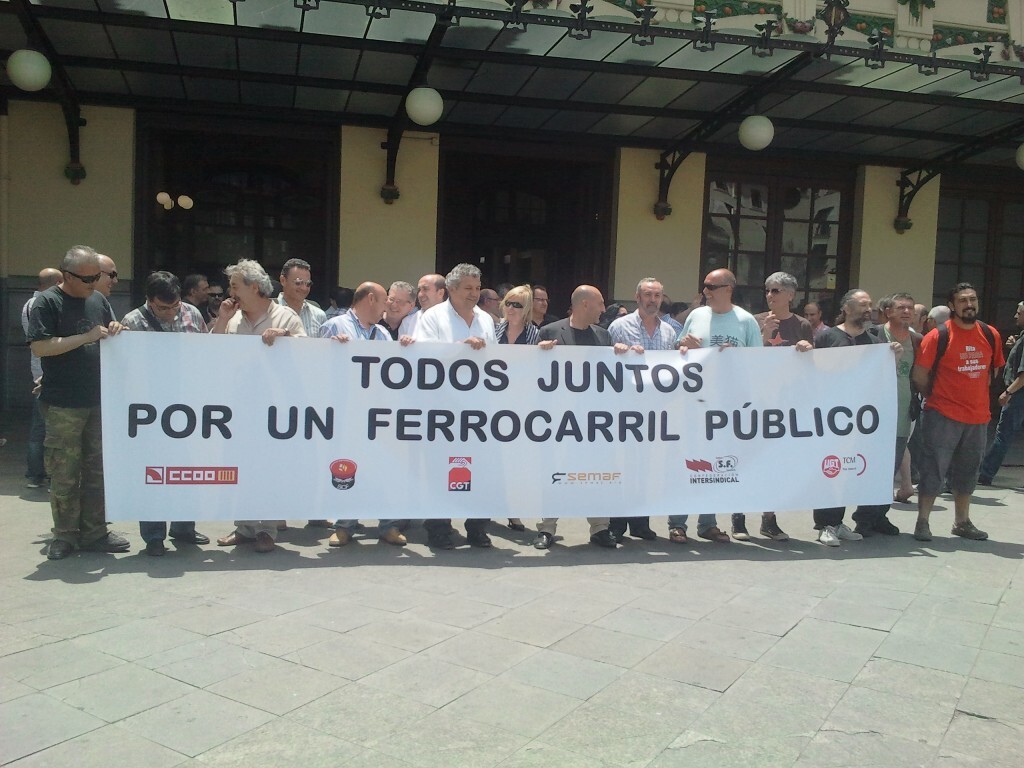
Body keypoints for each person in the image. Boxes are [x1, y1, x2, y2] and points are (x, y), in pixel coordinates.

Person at [27, 245, 129, 560]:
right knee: (64, 472)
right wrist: (83, 339)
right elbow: (40, 347)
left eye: (97, 277)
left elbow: (108, 336)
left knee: (97, 469)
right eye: (88, 278)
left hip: (98, 401)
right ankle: (65, 535)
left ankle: (95, 531)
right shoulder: (47, 303)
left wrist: (116, 329)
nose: (94, 283)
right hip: (63, 404)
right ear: (68, 276)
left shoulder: (98, 300)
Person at [212, 259, 306, 553]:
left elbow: (308, 355)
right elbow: (211, 355)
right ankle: (245, 527)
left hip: (274, 410)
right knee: (240, 467)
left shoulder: (286, 318)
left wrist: (285, 339)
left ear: (254, 288)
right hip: (238, 408)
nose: (230, 292)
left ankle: (267, 529)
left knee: (269, 468)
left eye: (235, 286)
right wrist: (222, 320)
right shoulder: (234, 319)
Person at [121, 271, 211, 555]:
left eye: (175, 307)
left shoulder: (192, 314)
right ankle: (153, 535)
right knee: (154, 472)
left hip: (187, 407)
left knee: (187, 469)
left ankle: (184, 528)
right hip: (150, 409)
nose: (171, 314)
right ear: (149, 300)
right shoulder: (132, 322)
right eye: (163, 308)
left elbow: (205, 353)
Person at [671, 268, 763, 544]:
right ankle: (677, 523)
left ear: (728, 288)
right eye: (705, 286)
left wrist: (738, 357)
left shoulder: (746, 321)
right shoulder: (696, 316)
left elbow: (758, 363)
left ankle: (707, 523)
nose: (705, 291)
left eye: (711, 286)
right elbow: (678, 351)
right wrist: (682, 344)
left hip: (726, 406)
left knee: (712, 465)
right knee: (686, 462)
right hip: (693, 403)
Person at [411, 263, 496, 549]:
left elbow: (496, 361)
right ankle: (438, 530)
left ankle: (477, 528)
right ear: (451, 289)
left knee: (480, 470)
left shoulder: (486, 319)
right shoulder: (433, 317)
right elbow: (425, 357)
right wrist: (461, 347)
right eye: (468, 289)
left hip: (479, 409)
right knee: (440, 470)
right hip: (443, 408)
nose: (474, 294)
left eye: (477, 288)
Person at [319, 282, 408, 546]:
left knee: (383, 467)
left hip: (378, 414)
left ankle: (387, 525)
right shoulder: (335, 326)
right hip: (346, 412)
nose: (387, 307)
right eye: (384, 302)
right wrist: (331, 349)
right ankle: (344, 525)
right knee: (347, 467)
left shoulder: (382, 333)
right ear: (370, 299)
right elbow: (316, 367)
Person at [913, 283, 1003, 542]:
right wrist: (938, 398)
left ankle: (962, 522)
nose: (969, 304)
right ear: (952, 306)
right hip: (942, 415)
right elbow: (920, 376)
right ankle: (923, 522)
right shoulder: (938, 336)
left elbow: (993, 371)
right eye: (962, 300)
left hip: (978, 418)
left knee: (968, 471)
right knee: (933, 470)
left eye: (973, 299)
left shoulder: (990, 334)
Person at [534, 285, 623, 550]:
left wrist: (624, 355)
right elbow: (536, 374)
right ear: (585, 304)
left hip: (595, 423)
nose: (603, 309)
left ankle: (599, 528)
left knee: (597, 474)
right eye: (600, 303)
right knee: (555, 474)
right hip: (560, 422)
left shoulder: (604, 336)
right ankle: (547, 528)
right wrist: (540, 354)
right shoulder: (550, 332)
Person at [811, 289, 902, 546]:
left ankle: (838, 523)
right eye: (862, 305)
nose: (868, 309)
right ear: (847, 308)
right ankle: (825, 524)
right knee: (830, 469)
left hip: (860, 420)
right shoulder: (828, 336)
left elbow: (882, 378)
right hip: (830, 417)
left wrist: (893, 359)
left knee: (849, 470)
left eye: (870, 305)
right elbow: (813, 371)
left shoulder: (874, 342)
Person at [744, 271, 815, 541]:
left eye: (775, 291)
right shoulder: (756, 321)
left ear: (790, 295)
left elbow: (811, 368)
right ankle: (739, 518)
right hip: (754, 402)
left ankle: (768, 519)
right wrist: (764, 335)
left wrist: (807, 350)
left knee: (774, 464)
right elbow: (745, 361)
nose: (770, 295)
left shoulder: (802, 325)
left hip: (785, 405)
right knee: (748, 460)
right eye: (767, 290)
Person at [606, 278, 677, 542]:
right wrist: (618, 353)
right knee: (622, 466)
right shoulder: (618, 327)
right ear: (637, 298)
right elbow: (603, 365)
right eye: (648, 295)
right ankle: (617, 523)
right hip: (623, 410)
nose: (653, 300)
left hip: (653, 412)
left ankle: (640, 522)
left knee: (645, 468)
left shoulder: (669, 332)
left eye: (657, 295)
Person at [494, 284, 547, 532]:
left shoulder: (535, 335)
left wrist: (547, 353)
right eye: (508, 303)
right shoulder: (493, 331)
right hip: (493, 405)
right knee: (494, 461)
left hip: (521, 409)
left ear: (526, 309)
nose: (511, 308)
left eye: (518, 304)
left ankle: (513, 512)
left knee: (516, 463)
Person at [868, 292, 920, 521]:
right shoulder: (874, 334)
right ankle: (865, 517)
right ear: (888, 311)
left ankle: (880, 517)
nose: (907, 311)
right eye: (901, 307)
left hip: (902, 415)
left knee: (892, 466)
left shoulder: (917, 340)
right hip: (872, 415)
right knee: (871, 468)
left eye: (910, 308)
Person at [22, 267, 62, 489]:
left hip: (39, 370)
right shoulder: (39, 305)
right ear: (57, 281)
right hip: (44, 373)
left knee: (41, 427)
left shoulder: (30, 303)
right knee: (42, 428)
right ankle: (36, 473)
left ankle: (37, 473)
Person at [978, 301, 1024, 487]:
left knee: (1002, 435)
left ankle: (985, 473)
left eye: (1019, 313)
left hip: (1018, 394)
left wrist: (1008, 392)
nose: (1015, 316)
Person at [277, 258, 326, 338]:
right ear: (283, 280)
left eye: (308, 284)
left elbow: (325, 348)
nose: (304, 288)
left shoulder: (319, 315)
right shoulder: (267, 312)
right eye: (298, 283)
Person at [399, 273, 446, 339]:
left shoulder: (455, 319)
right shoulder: (408, 322)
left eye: (425, 289)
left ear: (440, 293)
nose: (420, 295)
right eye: (419, 290)